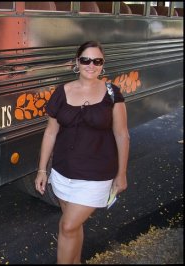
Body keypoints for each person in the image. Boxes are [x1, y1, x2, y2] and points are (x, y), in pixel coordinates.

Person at [35, 40, 130, 264]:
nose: (91, 65)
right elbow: (50, 133)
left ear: (102, 65)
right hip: (62, 172)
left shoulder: (112, 94)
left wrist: (122, 173)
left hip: (96, 175)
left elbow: (122, 135)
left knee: (67, 226)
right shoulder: (62, 92)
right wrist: (42, 170)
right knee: (72, 226)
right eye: (86, 60)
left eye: (97, 61)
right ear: (77, 62)